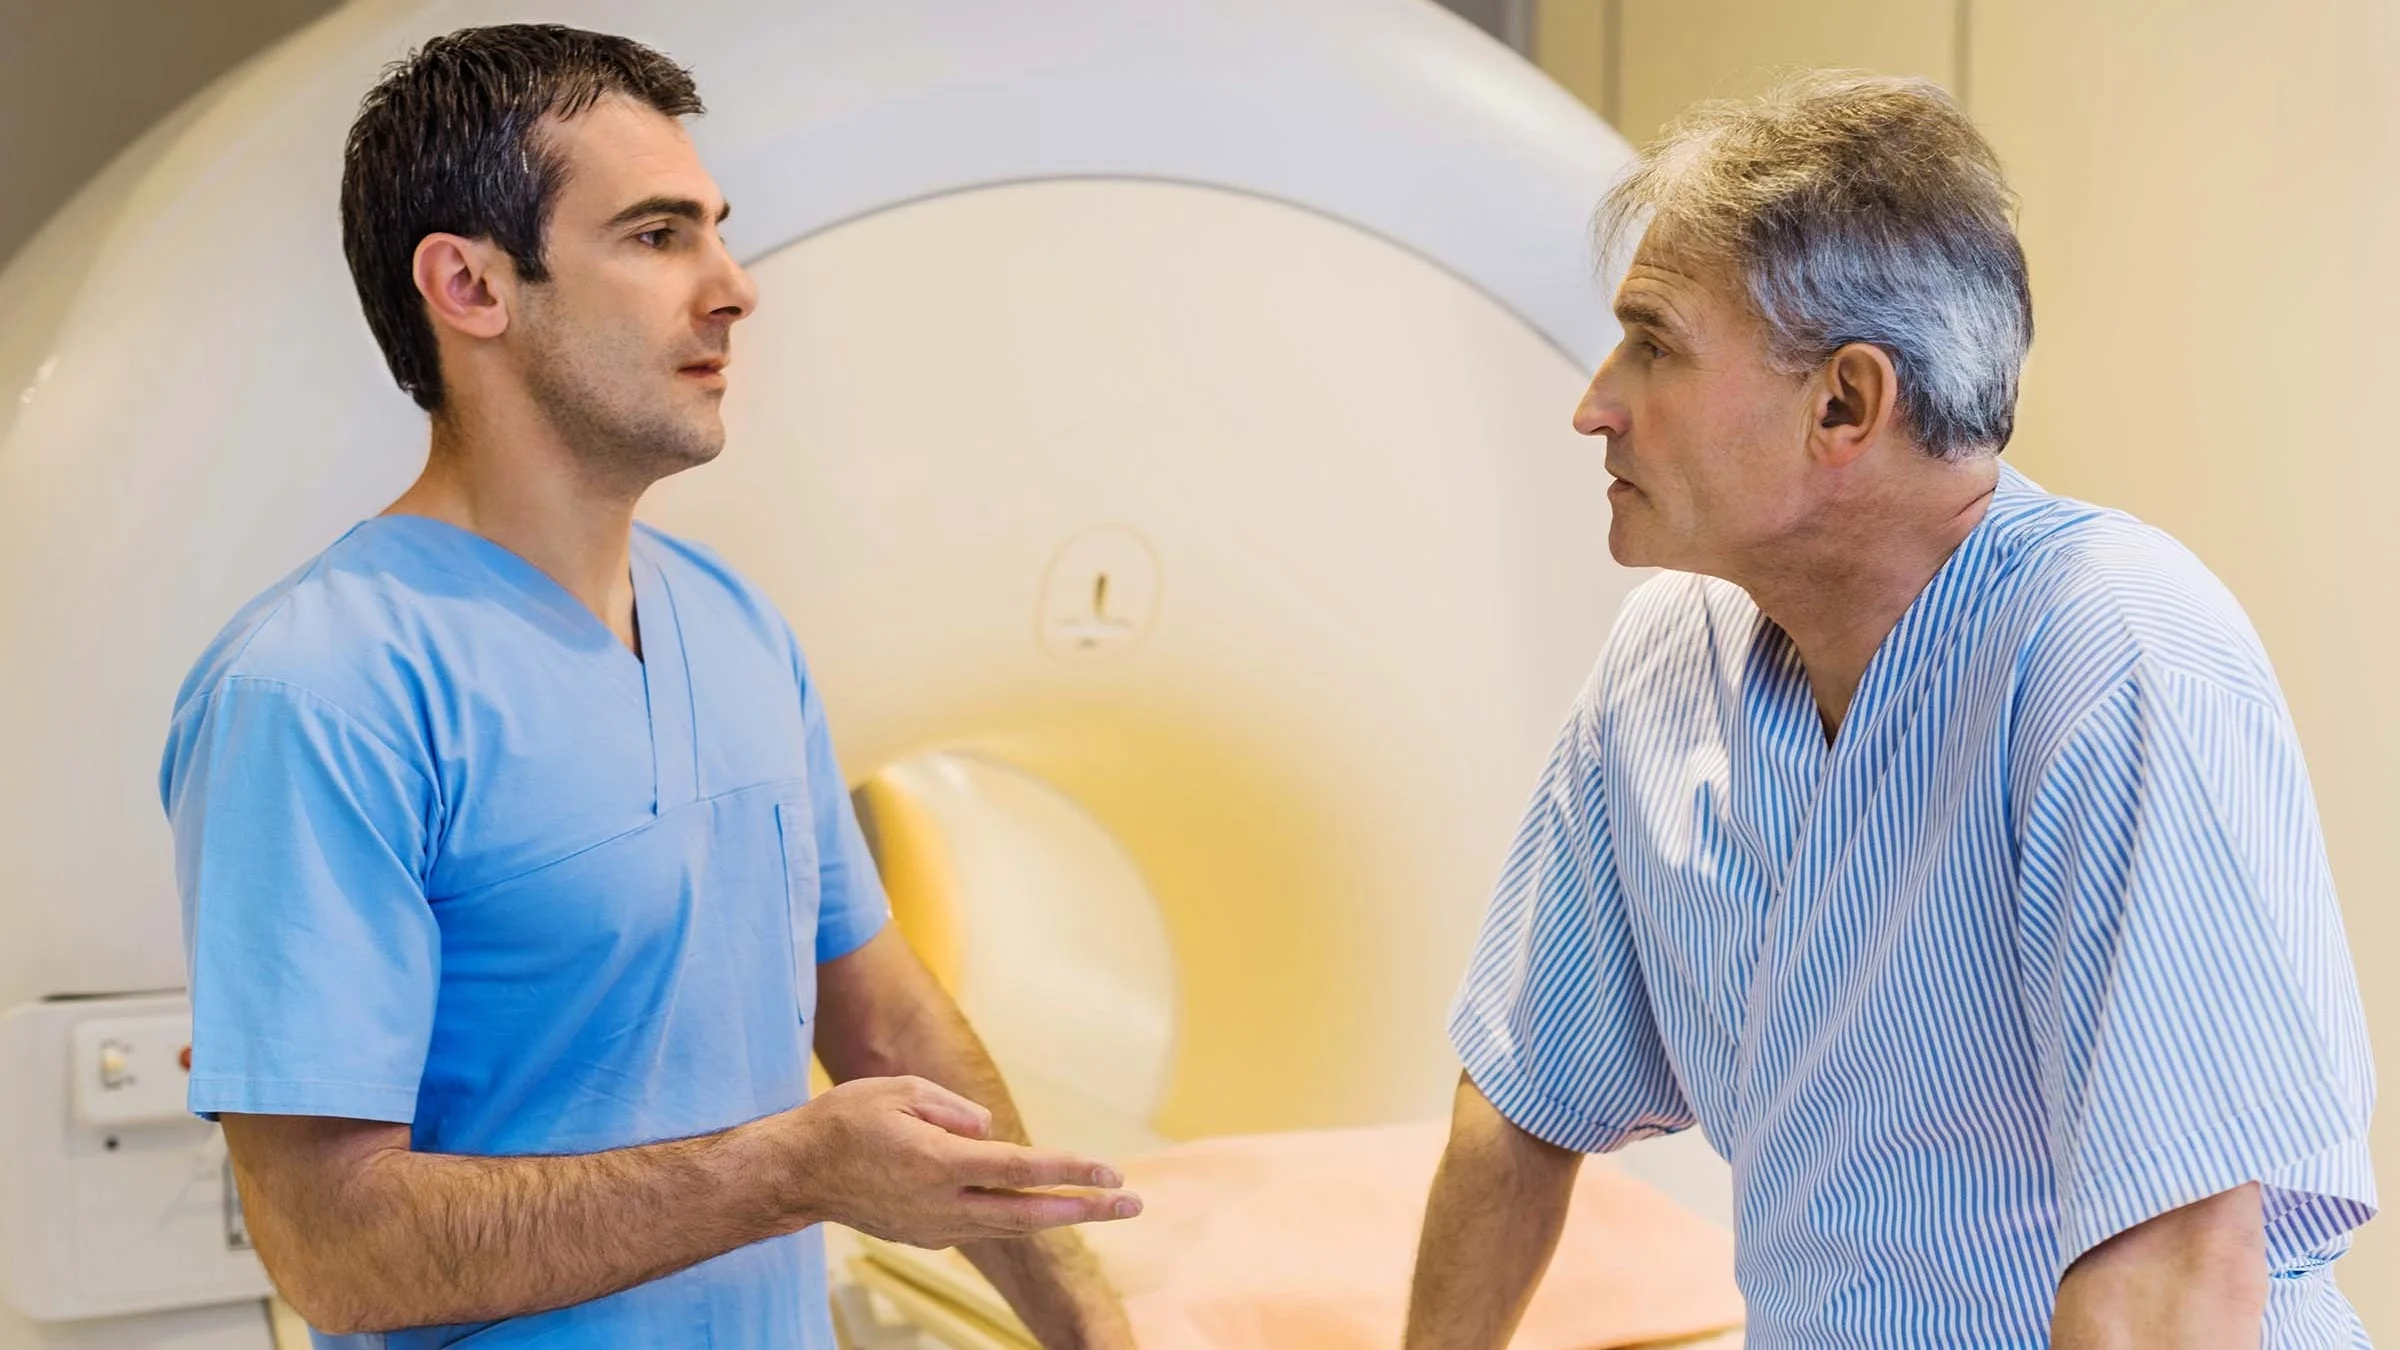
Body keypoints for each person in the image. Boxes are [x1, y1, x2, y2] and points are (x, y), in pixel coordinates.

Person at [158, 25, 1139, 1349]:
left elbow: (884, 1014)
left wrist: (1090, 1325)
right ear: (470, 284)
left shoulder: (738, 632)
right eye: (658, 235)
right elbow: (339, 1248)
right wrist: (789, 1172)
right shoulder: (319, 690)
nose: (734, 286)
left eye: (716, 232)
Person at [1403, 72, 2376, 1349]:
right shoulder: (1665, 667)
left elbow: (2178, 1268)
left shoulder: (2111, 657)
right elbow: (1520, 1114)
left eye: (1654, 343)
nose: (1597, 401)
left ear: (1845, 407)